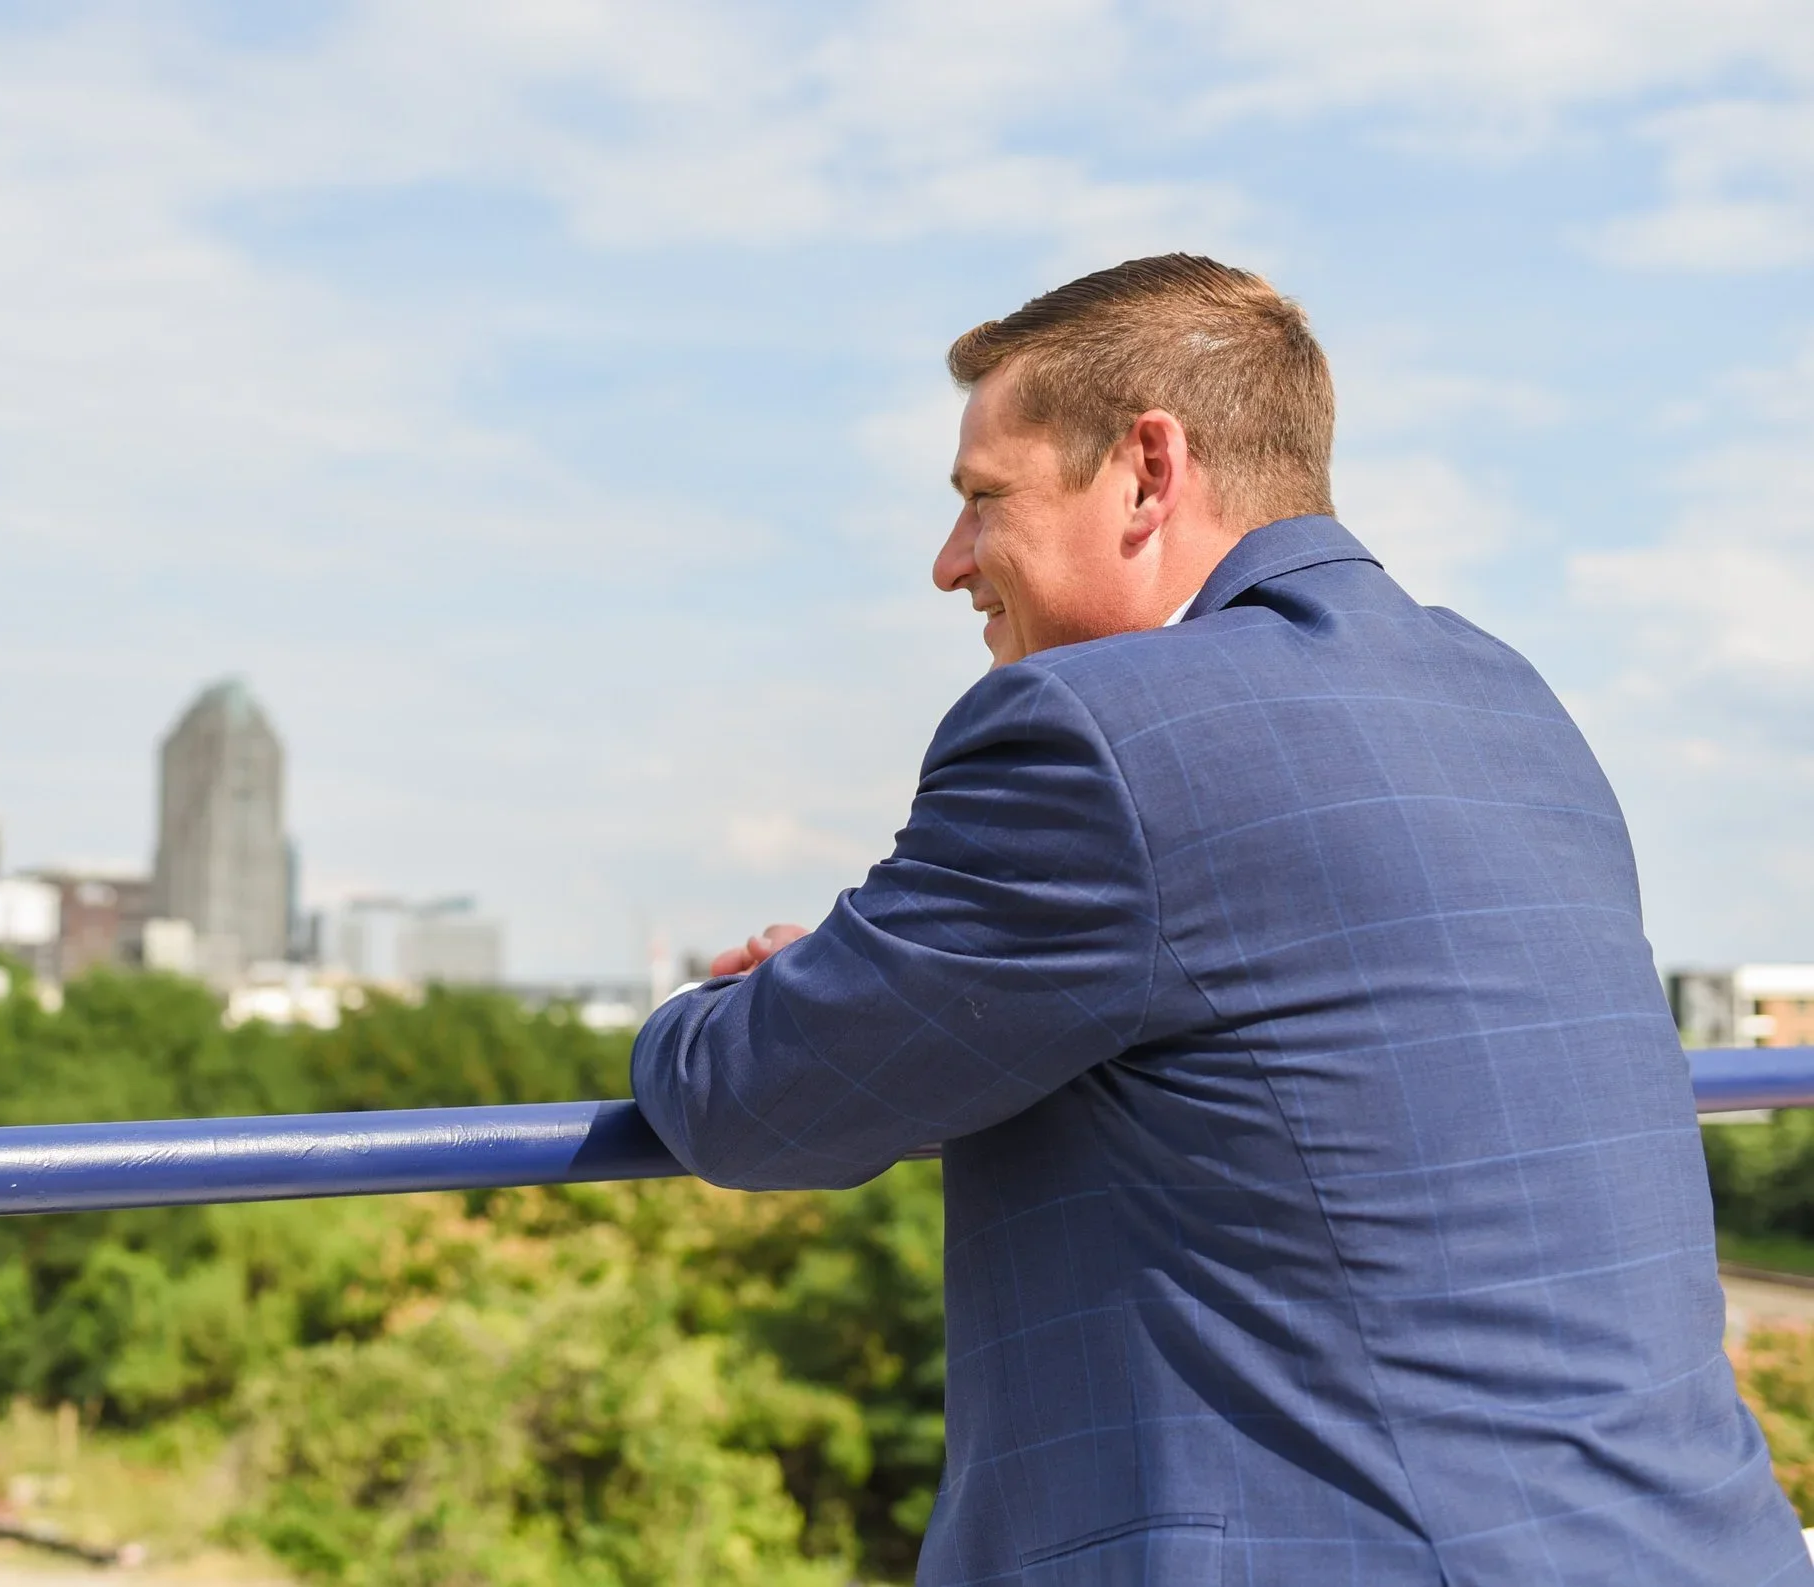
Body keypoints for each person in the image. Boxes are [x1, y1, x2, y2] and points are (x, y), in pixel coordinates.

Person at [629, 254, 1813, 1585]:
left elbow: (757, 1098)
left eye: (981, 502)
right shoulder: (1501, 695)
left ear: (1145, 469)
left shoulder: (1095, 733)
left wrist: (728, 1005)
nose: (949, 563)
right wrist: (896, 977)